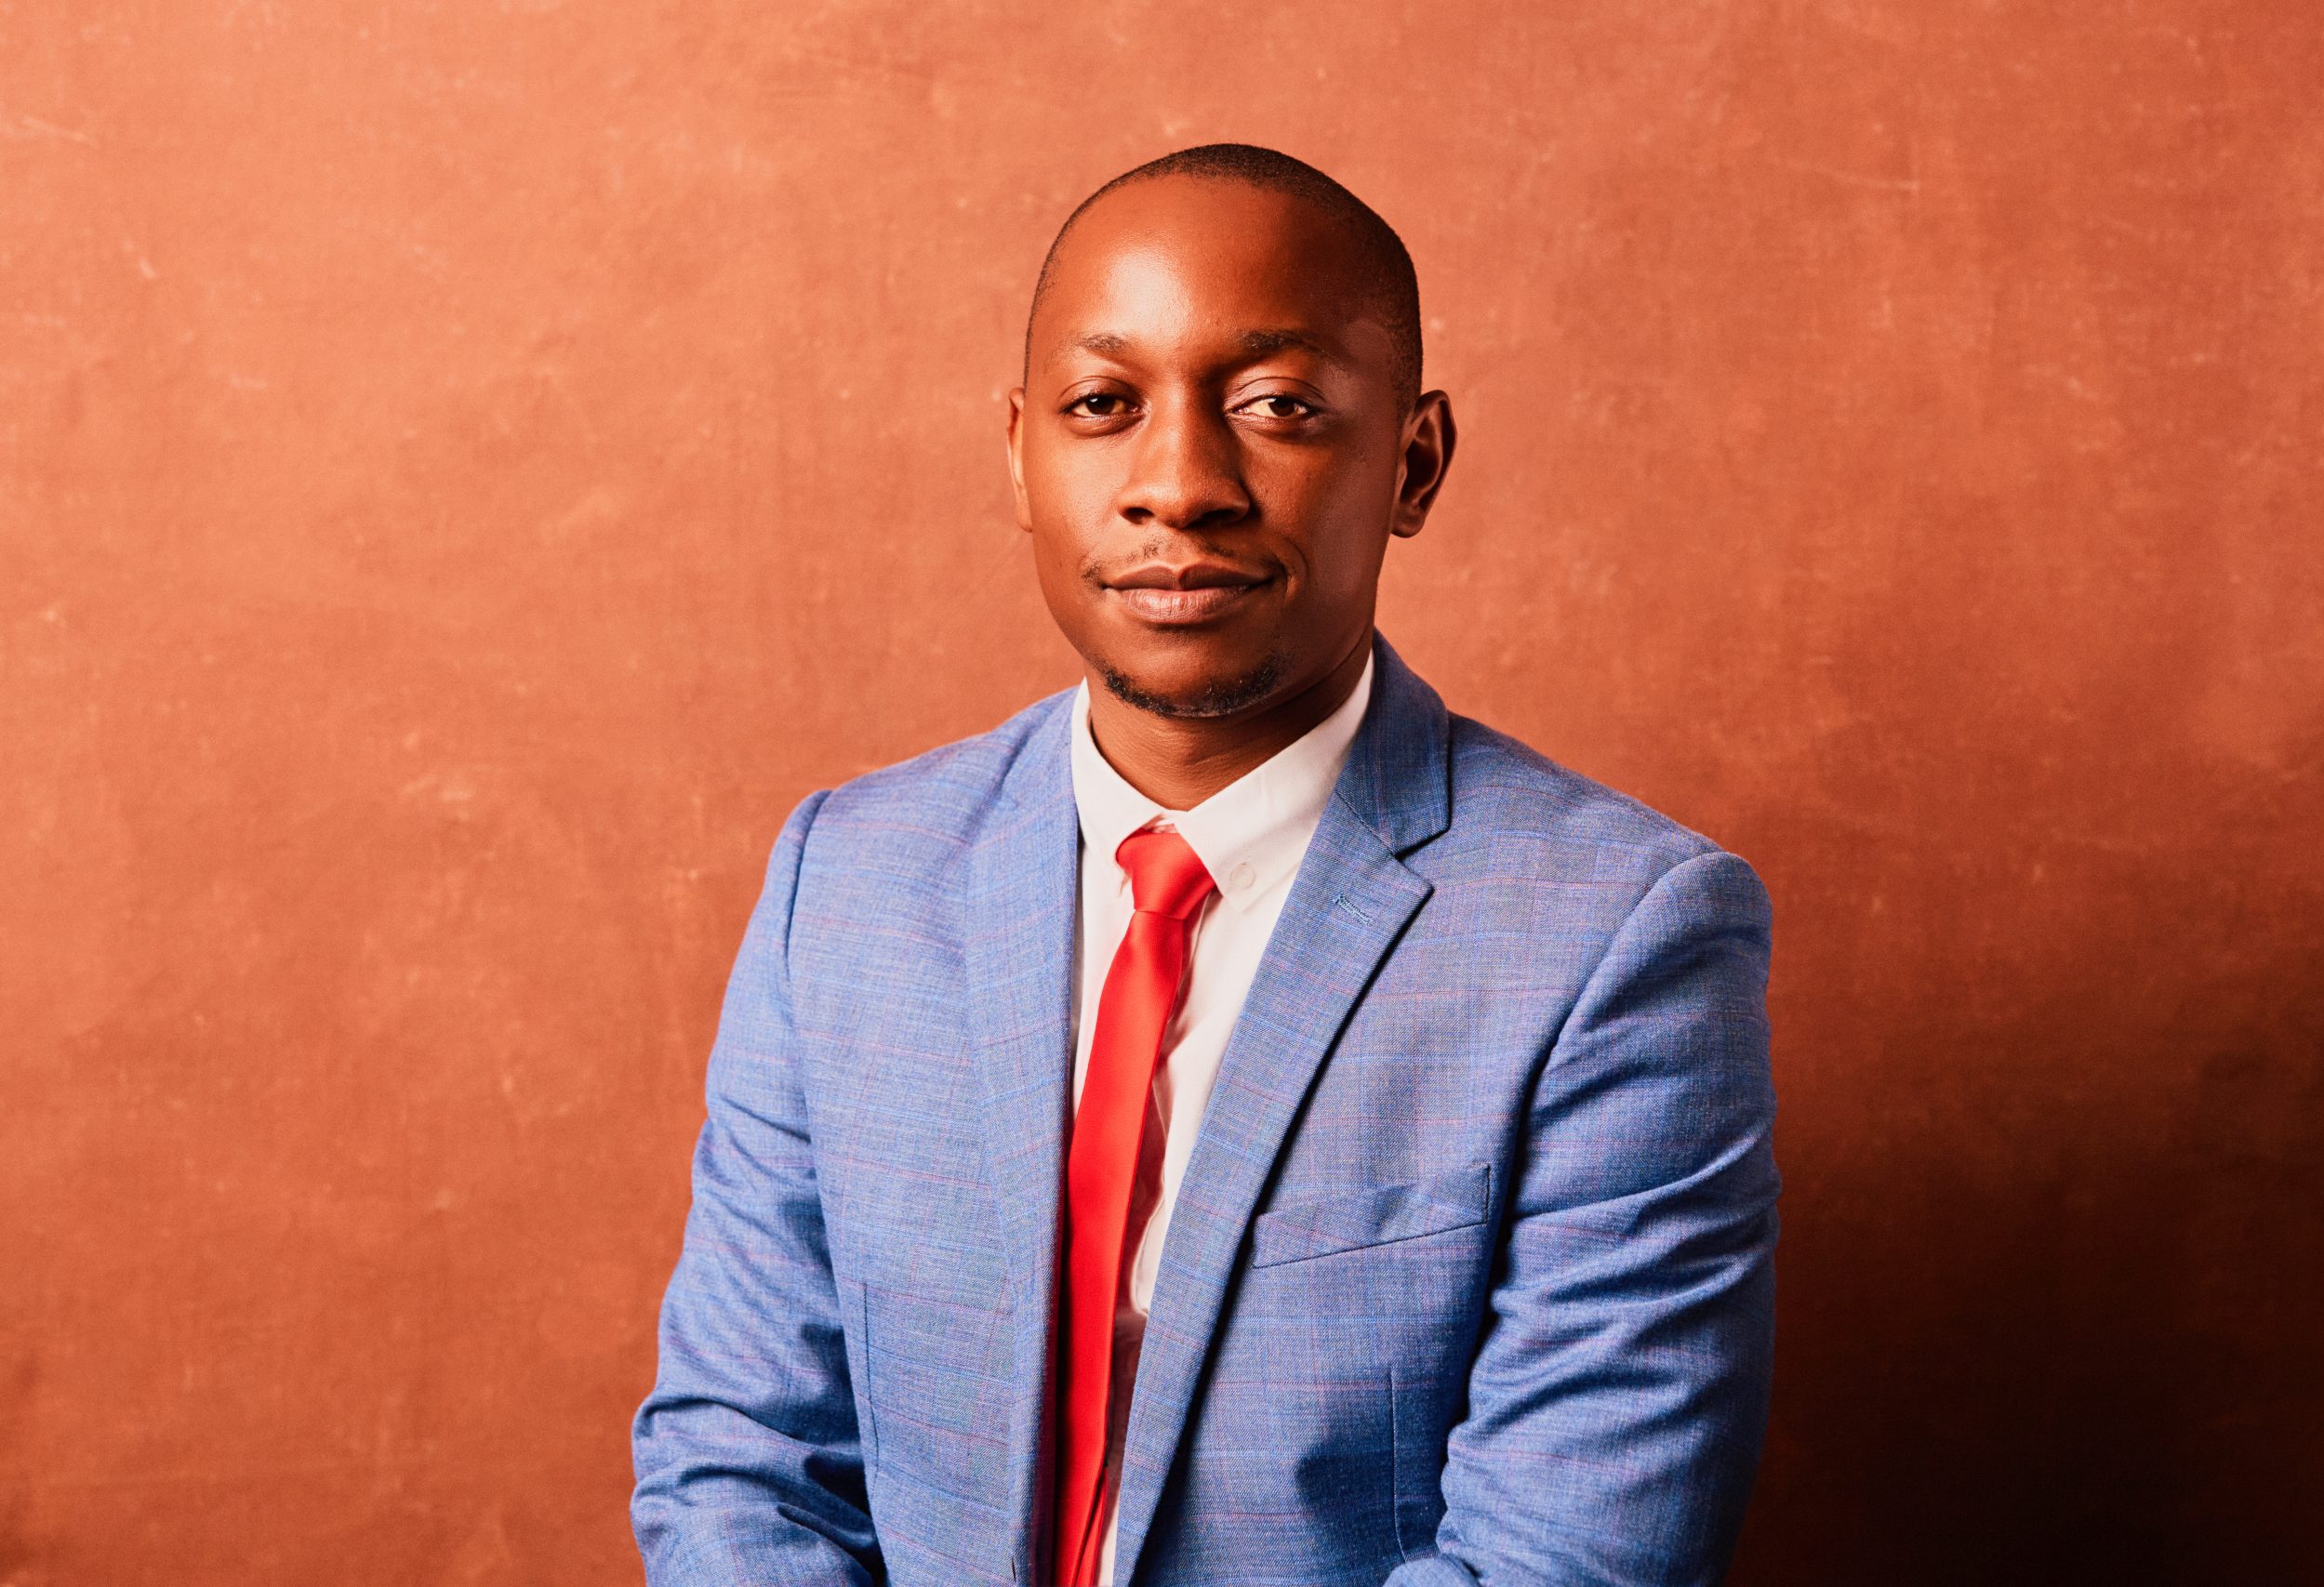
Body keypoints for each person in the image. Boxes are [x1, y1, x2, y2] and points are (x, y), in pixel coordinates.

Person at [630, 143, 1779, 1587]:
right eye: (1102, 406)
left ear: (1413, 462)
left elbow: (1565, 1557)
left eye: (1277, 406)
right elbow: (741, 1466)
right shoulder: (846, 885)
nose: (1178, 486)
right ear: (1020, 454)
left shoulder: (1619, 941)